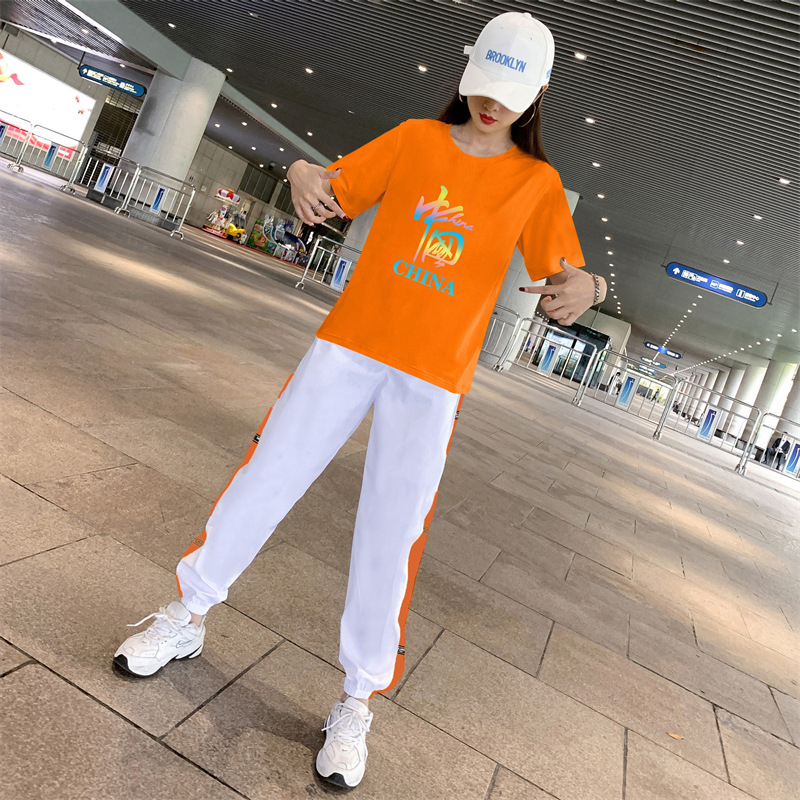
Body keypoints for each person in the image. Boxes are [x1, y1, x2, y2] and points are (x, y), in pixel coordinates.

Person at [113, 11, 606, 790]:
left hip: (433, 379)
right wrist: (300, 172)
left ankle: (355, 700)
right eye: (483, 86)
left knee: (391, 531)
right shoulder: (414, 139)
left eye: (509, 96)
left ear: (538, 95)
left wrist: (590, 286)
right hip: (348, 347)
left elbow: (567, 276)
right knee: (269, 474)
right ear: (467, 72)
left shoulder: (536, 184)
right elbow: (331, 185)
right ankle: (187, 615)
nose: (491, 106)